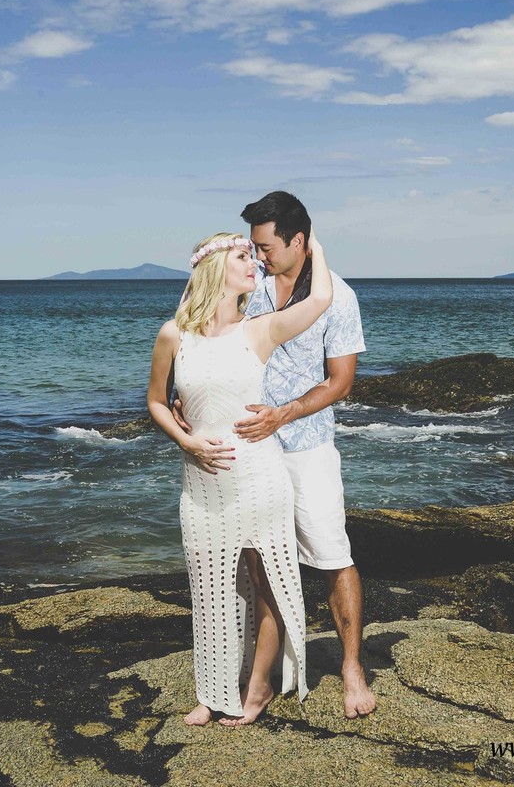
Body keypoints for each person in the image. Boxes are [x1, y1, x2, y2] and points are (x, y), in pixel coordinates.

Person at [174, 192, 376, 719]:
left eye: (265, 247)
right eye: (253, 248)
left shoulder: (339, 297)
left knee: (331, 555)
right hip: (247, 454)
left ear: (299, 240)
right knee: (255, 566)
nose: (258, 256)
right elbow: (209, 344)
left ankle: (352, 668)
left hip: (306, 447)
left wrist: (283, 415)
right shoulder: (250, 287)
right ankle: (254, 678)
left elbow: (341, 382)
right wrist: (189, 395)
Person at [147, 230, 333, 727]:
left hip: (259, 476)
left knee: (266, 580)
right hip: (201, 483)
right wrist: (186, 441)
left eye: (254, 255)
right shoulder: (174, 334)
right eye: (242, 256)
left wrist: (312, 241)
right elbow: (156, 402)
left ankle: (258, 687)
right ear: (214, 269)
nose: (254, 263)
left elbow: (320, 298)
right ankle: (211, 693)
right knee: (209, 588)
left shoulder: (261, 330)